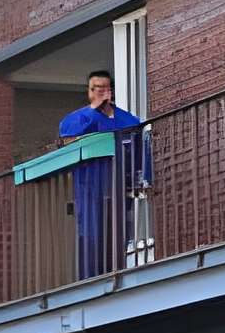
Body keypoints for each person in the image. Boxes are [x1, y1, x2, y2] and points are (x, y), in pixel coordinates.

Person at [53, 69, 151, 282]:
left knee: (119, 230)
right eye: (94, 89)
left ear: (111, 92)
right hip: (88, 185)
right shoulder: (77, 119)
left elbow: (141, 147)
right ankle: (91, 280)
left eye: (103, 88)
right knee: (90, 234)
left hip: (120, 185)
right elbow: (67, 136)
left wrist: (144, 177)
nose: (98, 93)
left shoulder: (128, 120)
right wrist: (93, 111)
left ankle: (119, 273)